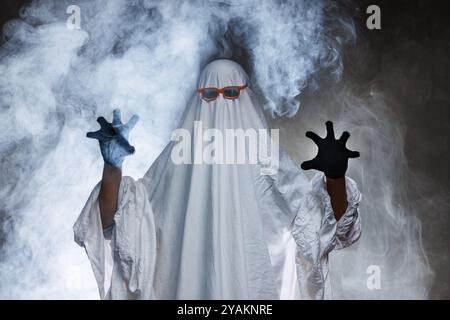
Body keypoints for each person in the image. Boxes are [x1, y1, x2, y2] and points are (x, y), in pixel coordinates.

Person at [74, 59, 362, 299]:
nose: (221, 106)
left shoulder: (268, 161)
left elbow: (324, 228)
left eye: (232, 94)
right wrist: (112, 167)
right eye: (210, 96)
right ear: (198, 99)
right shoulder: (175, 162)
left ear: (246, 97)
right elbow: (118, 224)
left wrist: (335, 178)